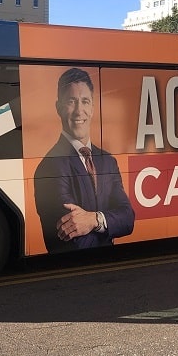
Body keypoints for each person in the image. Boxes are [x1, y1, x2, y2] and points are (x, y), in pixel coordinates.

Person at [33, 68, 135, 253]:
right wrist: (108, 224)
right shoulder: (49, 167)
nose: (79, 111)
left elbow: (128, 219)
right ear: (59, 108)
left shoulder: (107, 161)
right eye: (71, 101)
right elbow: (72, 240)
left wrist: (94, 220)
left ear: (93, 108)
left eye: (85, 101)